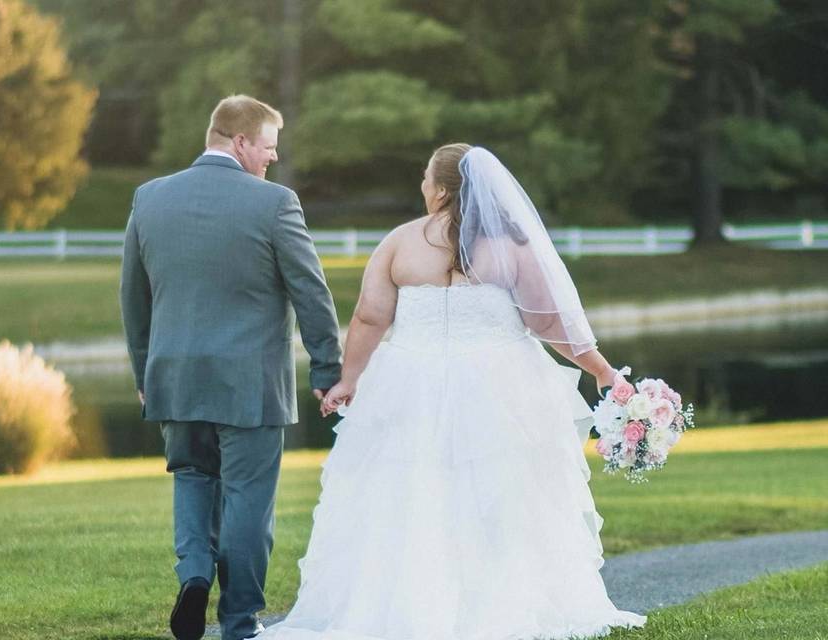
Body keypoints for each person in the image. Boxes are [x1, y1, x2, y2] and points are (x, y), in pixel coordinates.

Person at [260, 144, 647, 640]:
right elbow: (549, 321)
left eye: (426, 178)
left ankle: (409, 607)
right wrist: (602, 370)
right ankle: (502, 606)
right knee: (500, 498)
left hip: (409, 386)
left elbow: (370, 316)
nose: (422, 186)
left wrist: (349, 378)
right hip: (502, 384)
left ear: (441, 189)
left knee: (410, 495)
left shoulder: (400, 243)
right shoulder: (512, 246)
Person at [120, 95, 342, 640]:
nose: (271, 159)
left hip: (174, 377)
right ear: (240, 141)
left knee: (193, 480)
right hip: (250, 384)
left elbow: (134, 298)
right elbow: (312, 294)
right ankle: (239, 623)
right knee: (248, 501)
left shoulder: (149, 198)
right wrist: (327, 370)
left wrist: (145, 373)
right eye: (267, 148)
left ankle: (194, 574)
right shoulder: (274, 203)